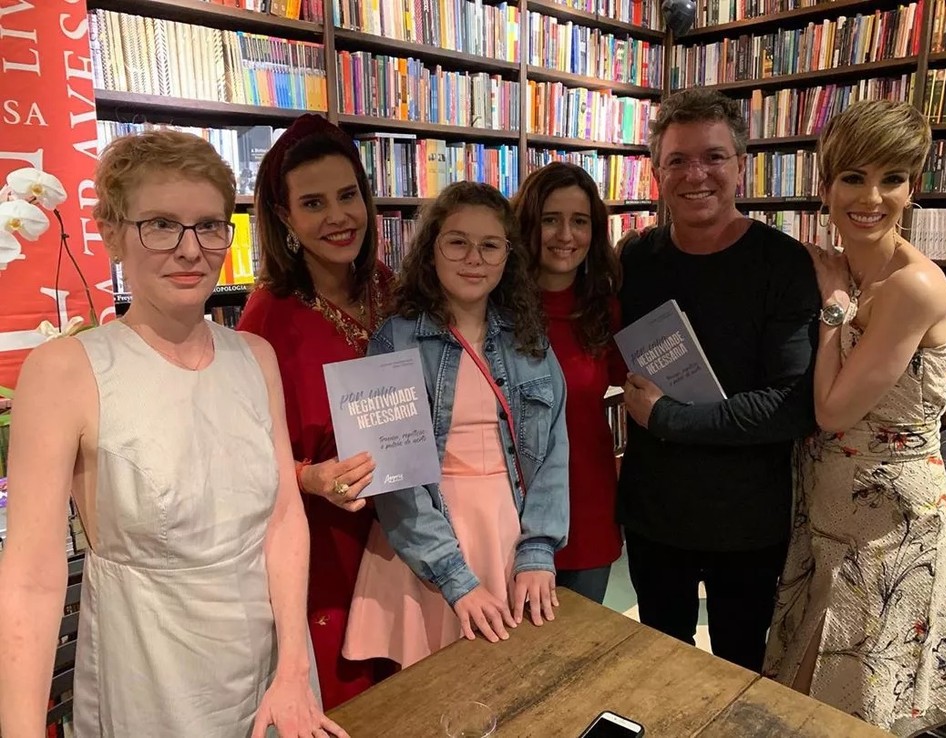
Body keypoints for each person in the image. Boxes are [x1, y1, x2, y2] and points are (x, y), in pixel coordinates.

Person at [0, 130, 346, 737]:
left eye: (210, 225)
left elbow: (284, 519)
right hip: (148, 678)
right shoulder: (65, 372)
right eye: (161, 224)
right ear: (112, 233)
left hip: (271, 672)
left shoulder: (255, 357)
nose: (191, 250)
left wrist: (294, 661)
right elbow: (30, 579)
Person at [763, 100, 946, 737]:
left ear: (913, 186)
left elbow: (832, 409)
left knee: (856, 710)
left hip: (889, 525)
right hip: (827, 509)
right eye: (853, 177)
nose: (872, 197)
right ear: (825, 186)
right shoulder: (843, 264)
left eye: (892, 178)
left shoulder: (914, 286)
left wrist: (833, 310)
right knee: (802, 693)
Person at [617, 88, 820, 672]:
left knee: (740, 670)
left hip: (748, 522)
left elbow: (790, 403)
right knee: (659, 668)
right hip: (655, 512)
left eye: (713, 157)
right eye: (677, 160)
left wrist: (668, 418)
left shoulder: (782, 264)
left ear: (740, 165)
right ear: (657, 173)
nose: (695, 175)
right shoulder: (634, 262)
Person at [343, 182, 570, 667]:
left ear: (508, 256)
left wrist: (539, 549)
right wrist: (451, 574)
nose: (474, 258)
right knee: (433, 691)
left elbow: (554, 453)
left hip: (509, 534)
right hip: (424, 539)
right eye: (457, 242)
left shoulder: (530, 340)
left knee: (511, 677)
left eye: (490, 245)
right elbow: (393, 481)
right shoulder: (392, 341)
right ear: (431, 250)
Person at [236, 114, 394, 708]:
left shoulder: (388, 286)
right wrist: (310, 477)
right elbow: (248, 459)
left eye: (349, 195)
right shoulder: (266, 319)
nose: (338, 217)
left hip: (405, 529)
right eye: (314, 203)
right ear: (285, 218)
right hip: (326, 542)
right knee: (351, 700)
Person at [511, 162, 626, 604]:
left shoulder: (606, 308)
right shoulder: (492, 307)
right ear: (528, 224)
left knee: (581, 656)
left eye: (579, 221)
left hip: (589, 503)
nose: (565, 235)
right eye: (550, 220)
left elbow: (636, 383)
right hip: (512, 509)